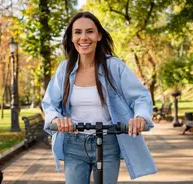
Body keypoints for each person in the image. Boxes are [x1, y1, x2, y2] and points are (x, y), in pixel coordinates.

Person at [42, 11, 157, 184]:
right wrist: (57, 119)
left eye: (89, 31)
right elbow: (50, 103)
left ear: (99, 35)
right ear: (72, 38)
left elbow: (140, 97)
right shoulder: (64, 69)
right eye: (78, 32)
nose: (84, 37)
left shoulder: (114, 67)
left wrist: (140, 116)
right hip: (73, 145)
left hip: (108, 143)